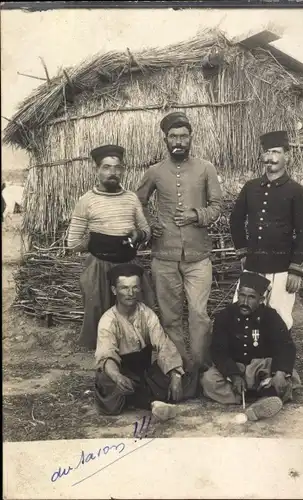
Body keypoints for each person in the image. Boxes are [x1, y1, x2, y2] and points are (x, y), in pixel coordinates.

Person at [136, 112, 222, 372]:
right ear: (165, 139)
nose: (179, 141)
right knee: (171, 317)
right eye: (173, 136)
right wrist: (150, 224)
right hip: (164, 256)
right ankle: (180, 370)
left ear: (191, 138)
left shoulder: (206, 168)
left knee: (199, 314)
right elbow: (137, 202)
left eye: (183, 136)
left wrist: (197, 215)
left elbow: (217, 206)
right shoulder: (155, 172)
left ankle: (200, 368)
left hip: (199, 257)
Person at [67, 144, 155, 350]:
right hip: (99, 269)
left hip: (129, 267)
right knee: (101, 322)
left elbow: (145, 230)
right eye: (106, 167)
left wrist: (139, 235)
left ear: (123, 170)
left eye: (117, 168)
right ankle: (106, 367)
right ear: (96, 170)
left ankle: (134, 366)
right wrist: (97, 244)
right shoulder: (86, 201)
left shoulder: (131, 198)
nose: (112, 173)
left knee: (136, 319)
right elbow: (72, 242)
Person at [230, 130, 303, 331]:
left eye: (276, 152)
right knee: (243, 314)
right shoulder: (251, 187)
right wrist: (242, 251)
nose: (270, 158)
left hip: (282, 268)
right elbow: (235, 219)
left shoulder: (296, 191)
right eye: (266, 153)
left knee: (279, 321)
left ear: (287, 156)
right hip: (253, 264)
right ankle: (247, 361)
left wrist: (296, 270)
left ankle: (276, 362)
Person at [94, 263, 198, 419]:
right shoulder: (108, 320)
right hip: (121, 370)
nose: (130, 293)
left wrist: (175, 376)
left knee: (187, 373)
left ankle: (143, 399)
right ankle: (152, 402)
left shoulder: (147, 314)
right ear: (114, 291)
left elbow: (163, 345)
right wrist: (117, 377)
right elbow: (106, 355)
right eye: (124, 288)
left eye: (135, 287)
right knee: (109, 383)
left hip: (144, 372)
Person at [201, 272, 302, 421]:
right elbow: (218, 350)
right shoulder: (225, 315)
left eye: (251, 297)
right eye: (242, 295)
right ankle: (264, 396)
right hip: (236, 369)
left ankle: (260, 397)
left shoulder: (270, 316)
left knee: (287, 375)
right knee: (208, 380)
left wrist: (280, 372)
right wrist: (233, 375)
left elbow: (286, 346)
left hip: (260, 369)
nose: (244, 302)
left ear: (261, 299)